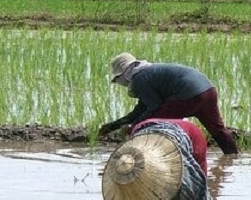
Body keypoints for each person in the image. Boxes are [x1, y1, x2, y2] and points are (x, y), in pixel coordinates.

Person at [98, 53, 240, 154]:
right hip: (207, 90)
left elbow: (154, 107)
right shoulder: (147, 73)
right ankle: (232, 157)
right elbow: (141, 109)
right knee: (218, 130)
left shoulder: (140, 78)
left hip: (188, 95)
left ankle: (157, 158)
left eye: (118, 78)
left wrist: (134, 127)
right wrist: (114, 125)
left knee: (155, 125)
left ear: (124, 73)